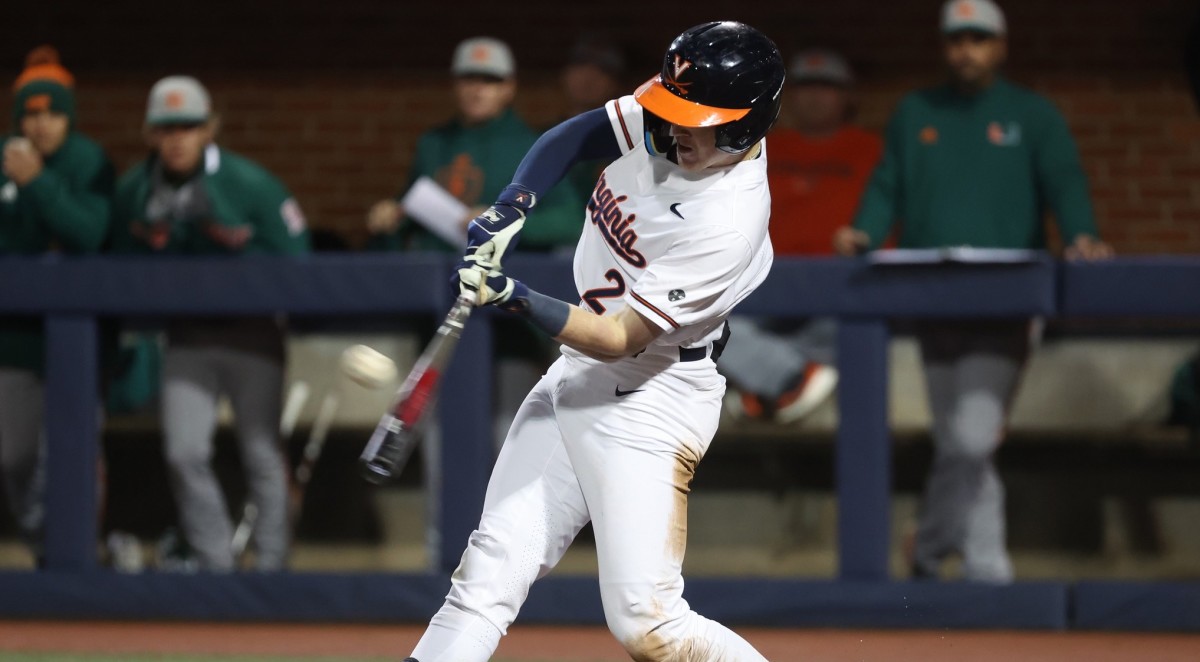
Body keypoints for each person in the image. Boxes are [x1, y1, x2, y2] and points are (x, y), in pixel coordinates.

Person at [404, 21, 783, 662]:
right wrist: (511, 207)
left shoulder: (728, 222)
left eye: (698, 119)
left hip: (653, 396)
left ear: (746, 126)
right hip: (579, 374)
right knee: (487, 573)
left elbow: (618, 338)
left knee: (648, 624)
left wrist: (513, 295)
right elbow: (579, 134)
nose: (673, 127)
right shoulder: (676, 122)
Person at [834, 0, 1113, 583]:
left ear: (1000, 46)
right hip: (931, 294)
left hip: (1007, 296)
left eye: (979, 38)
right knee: (960, 441)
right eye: (957, 39)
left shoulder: (1031, 114)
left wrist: (1083, 234)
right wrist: (864, 229)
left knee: (971, 436)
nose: (967, 49)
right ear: (944, 46)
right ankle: (981, 568)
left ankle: (932, 545)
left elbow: (1065, 180)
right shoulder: (917, 112)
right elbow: (887, 183)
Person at [110, 75, 310, 572]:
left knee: (261, 452)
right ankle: (215, 564)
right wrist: (150, 242)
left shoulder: (248, 182)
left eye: (189, 126)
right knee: (182, 451)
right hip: (187, 336)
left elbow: (298, 254)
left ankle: (272, 568)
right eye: (166, 127)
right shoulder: (136, 187)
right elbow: (113, 256)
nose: (177, 137)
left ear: (209, 129)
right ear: (150, 133)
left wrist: (229, 236)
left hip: (253, 333)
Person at [720, 49, 882, 423]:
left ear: (847, 96)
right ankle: (788, 378)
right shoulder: (759, 148)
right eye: (805, 86)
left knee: (843, 331)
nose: (813, 95)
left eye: (826, 86)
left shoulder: (871, 149)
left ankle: (762, 385)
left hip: (839, 284)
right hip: (764, 284)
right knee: (699, 323)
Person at [0, 46, 114, 564]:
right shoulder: (3, 159)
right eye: (30, 113)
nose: (40, 124)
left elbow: (88, 234)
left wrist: (37, 184)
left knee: (71, 457)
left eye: (50, 113)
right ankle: (50, 556)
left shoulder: (88, 161)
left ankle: (78, 560)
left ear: (67, 115)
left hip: (78, 341)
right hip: (15, 341)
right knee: (13, 458)